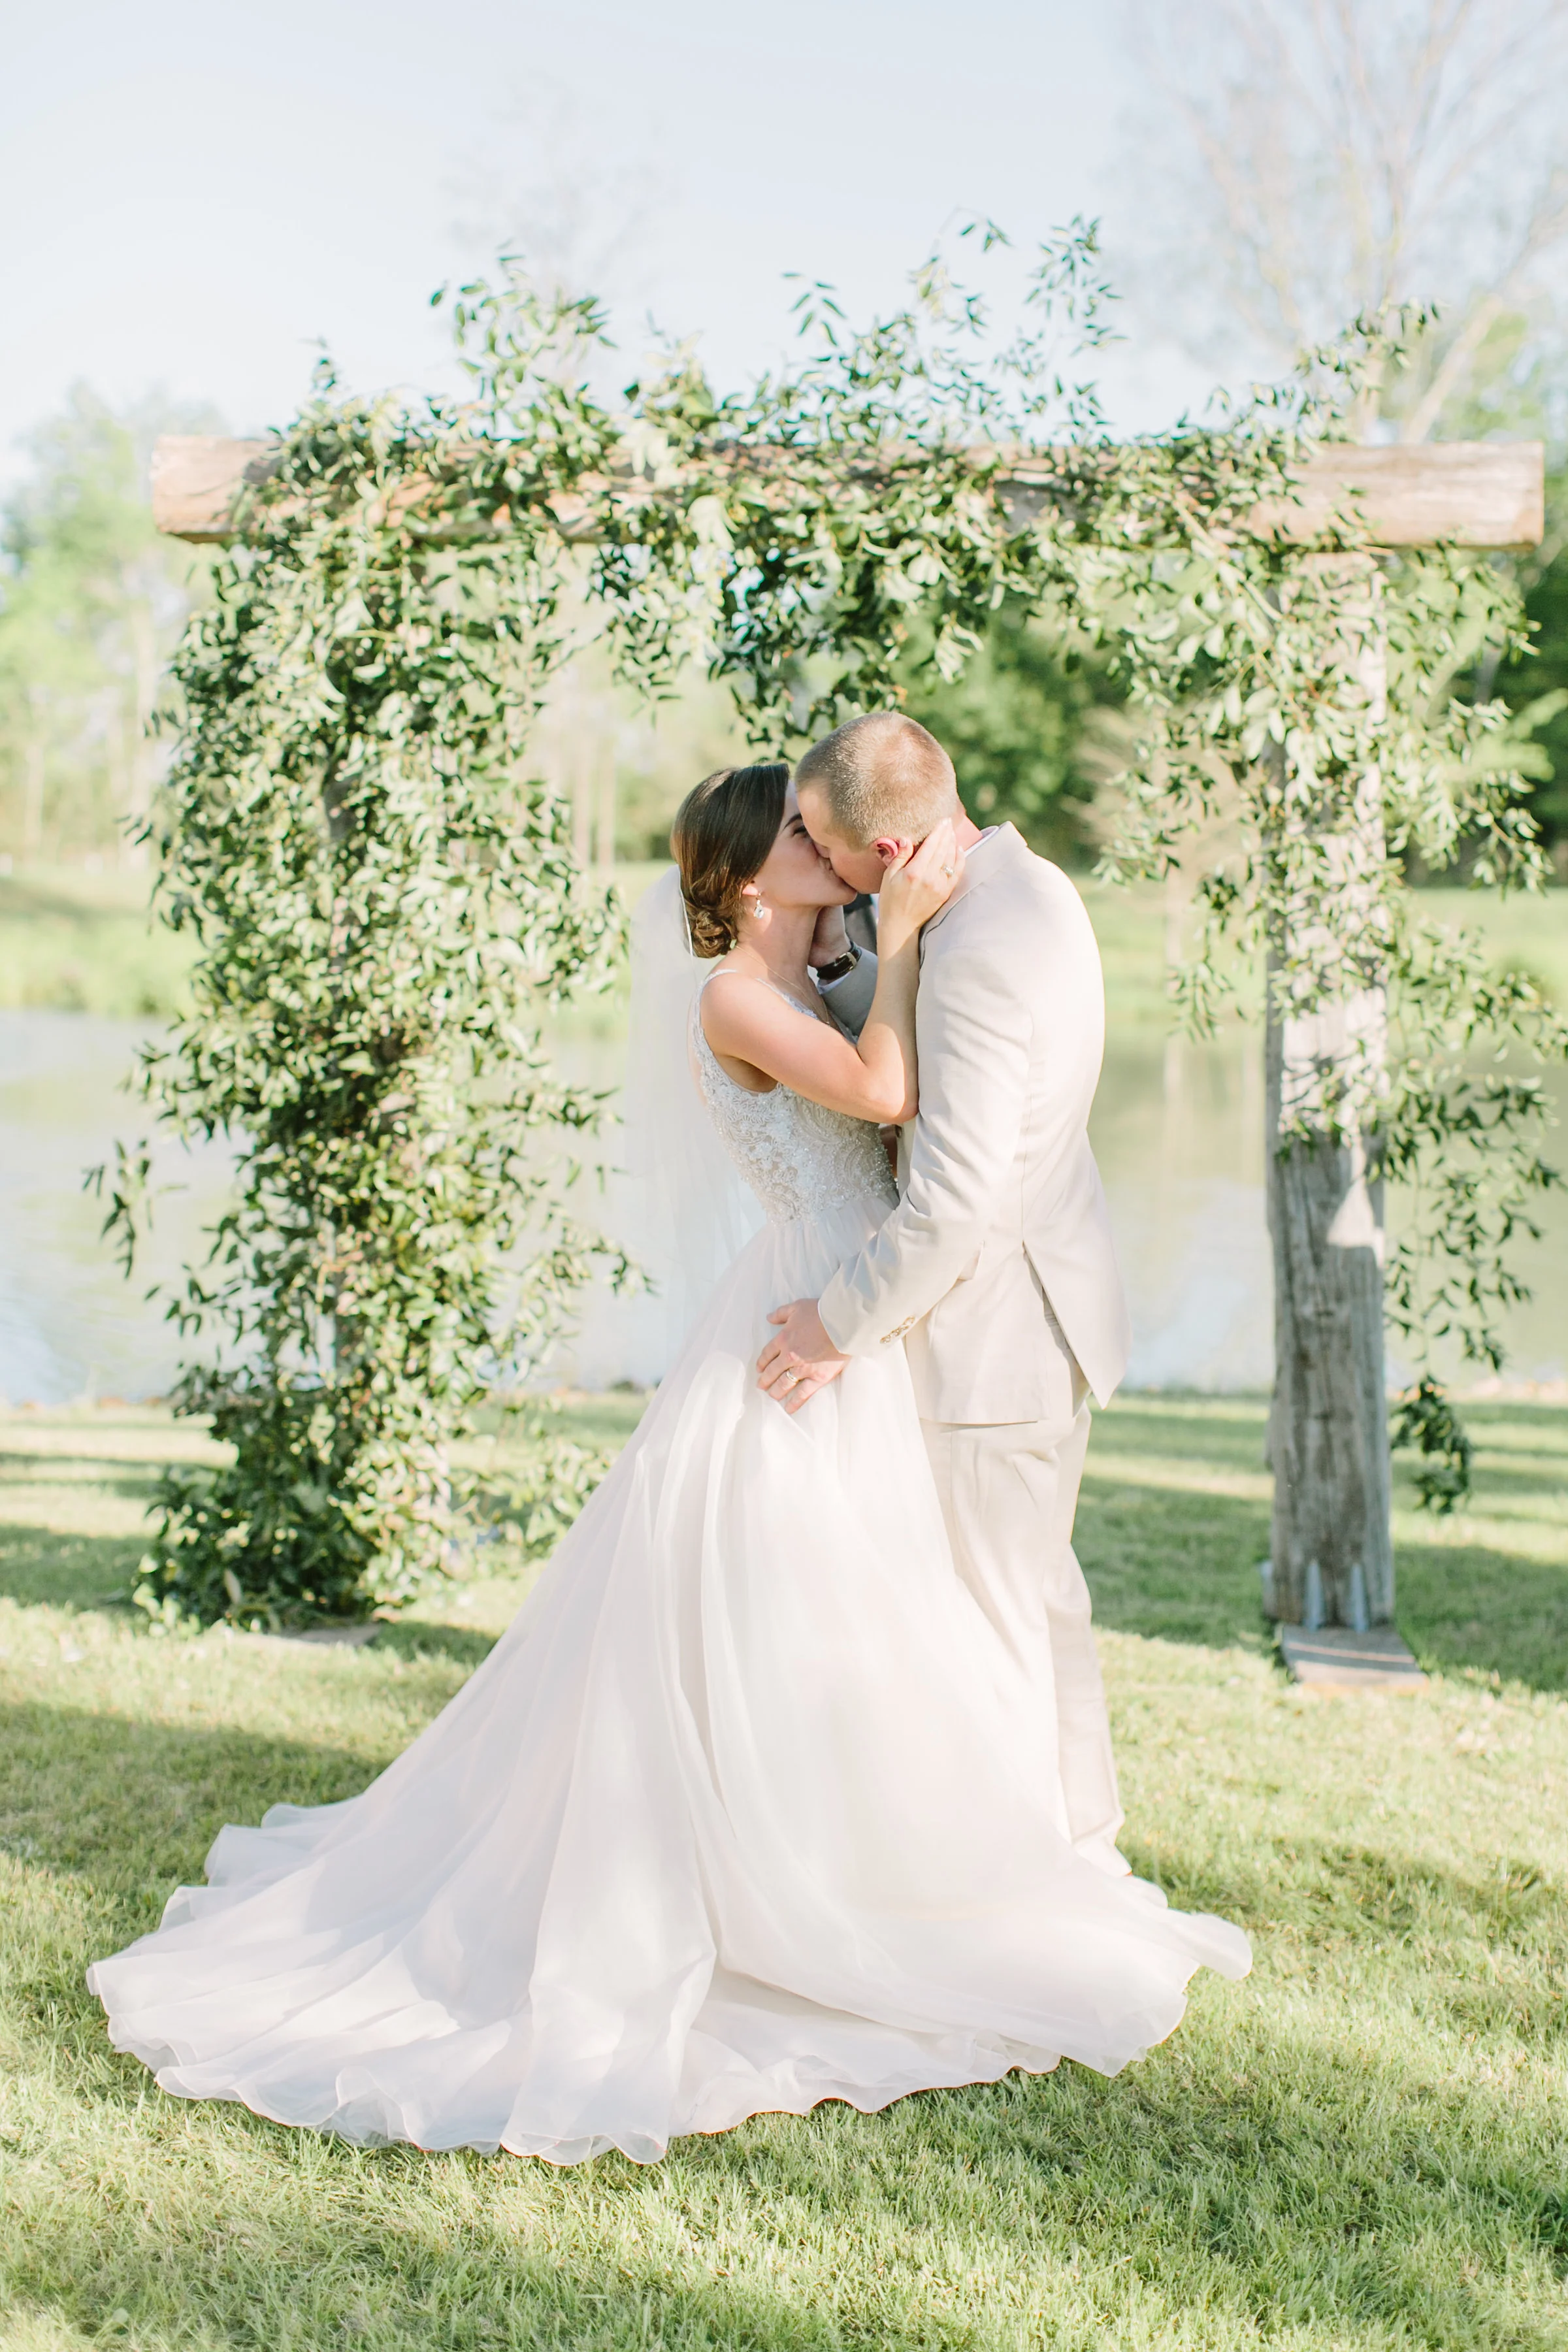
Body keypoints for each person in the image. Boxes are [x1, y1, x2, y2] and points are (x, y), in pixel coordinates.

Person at [88, 760, 1247, 2168]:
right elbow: (888, 1091)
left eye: (829, 832)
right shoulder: (734, 999)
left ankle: (917, 1865)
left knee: (879, 1625)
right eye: (802, 838)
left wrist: (888, 941)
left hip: (861, 1326)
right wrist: (907, 936)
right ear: (751, 878)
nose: (829, 851)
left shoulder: (817, 972)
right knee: (811, 1617)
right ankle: (807, 1903)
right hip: (812, 1323)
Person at [760, 713, 1132, 1872]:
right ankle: (1084, 1851)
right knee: (1040, 1603)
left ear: (883, 853)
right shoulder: (1028, 886)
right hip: (1049, 1304)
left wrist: (835, 1326)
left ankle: (1040, 1882)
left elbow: (955, 1200)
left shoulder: (976, 952)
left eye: (825, 846)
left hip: (994, 1339)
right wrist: (852, 966)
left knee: (999, 1621)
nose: (819, 866)